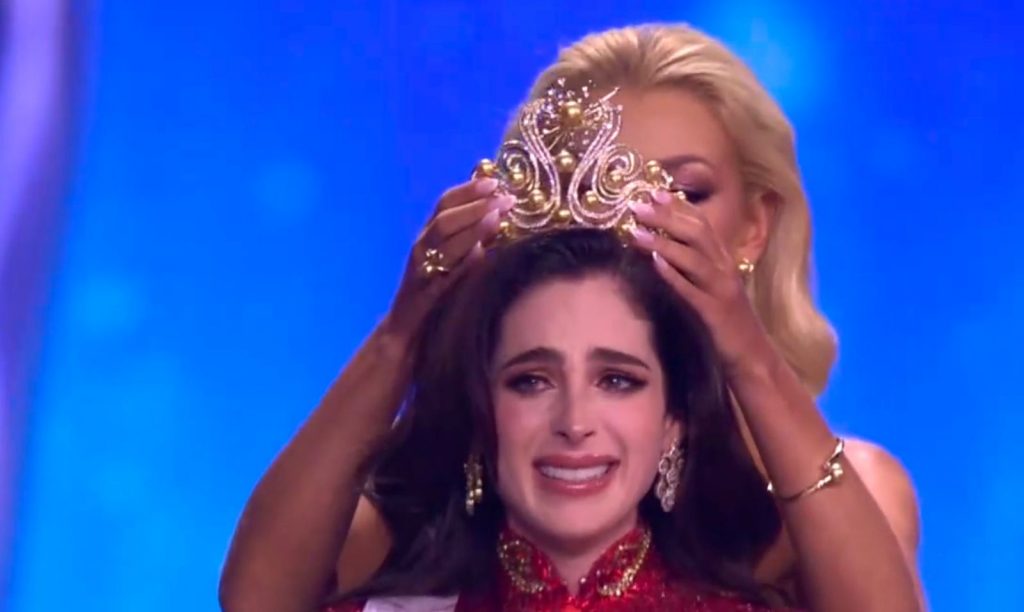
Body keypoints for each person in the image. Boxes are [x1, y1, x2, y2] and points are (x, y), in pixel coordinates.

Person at [220, 23, 923, 612]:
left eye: (682, 194)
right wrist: (403, 333)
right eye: (602, 188)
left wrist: (747, 354)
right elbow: (257, 595)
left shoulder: (848, 492)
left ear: (754, 226)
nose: (636, 232)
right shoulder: (465, 477)